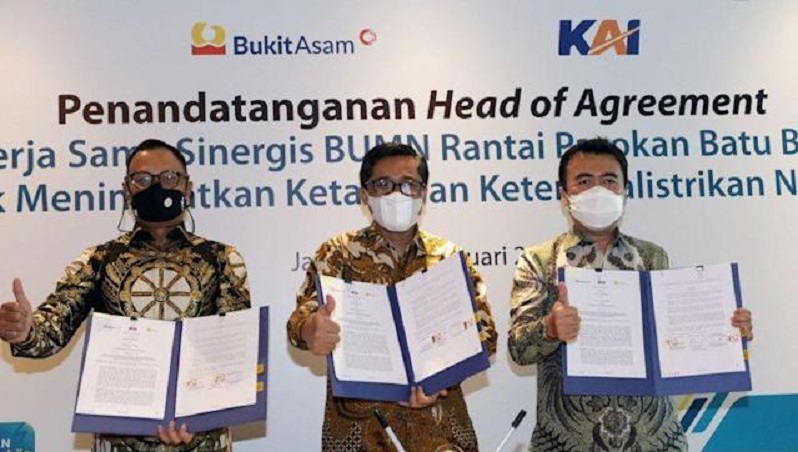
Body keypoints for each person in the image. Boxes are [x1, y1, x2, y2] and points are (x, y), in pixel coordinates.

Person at [0, 139, 251, 452]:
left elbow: (233, 353)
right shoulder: (99, 260)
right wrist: (25, 331)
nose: (156, 188)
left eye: (169, 177)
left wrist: (196, 417)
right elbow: (51, 330)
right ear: (127, 190)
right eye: (142, 179)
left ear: (188, 187)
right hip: (118, 441)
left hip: (203, 440)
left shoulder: (223, 259)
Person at [508, 138, 754, 451]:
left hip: (654, 441)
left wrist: (726, 333)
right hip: (568, 442)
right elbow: (518, 349)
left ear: (624, 190)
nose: (598, 190)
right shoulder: (539, 260)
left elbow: (673, 343)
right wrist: (550, 328)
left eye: (609, 180)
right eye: (584, 181)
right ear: (564, 195)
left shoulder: (652, 257)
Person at [287, 142, 497, 452]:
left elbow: (486, 336)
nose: (397, 193)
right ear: (365, 195)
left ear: (423, 193)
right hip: (359, 436)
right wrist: (310, 329)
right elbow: (300, 323)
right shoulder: (337, 252)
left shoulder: (450, 257)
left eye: (409, 184)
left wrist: (441, 376)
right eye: (383, 184)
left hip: (441, 434)